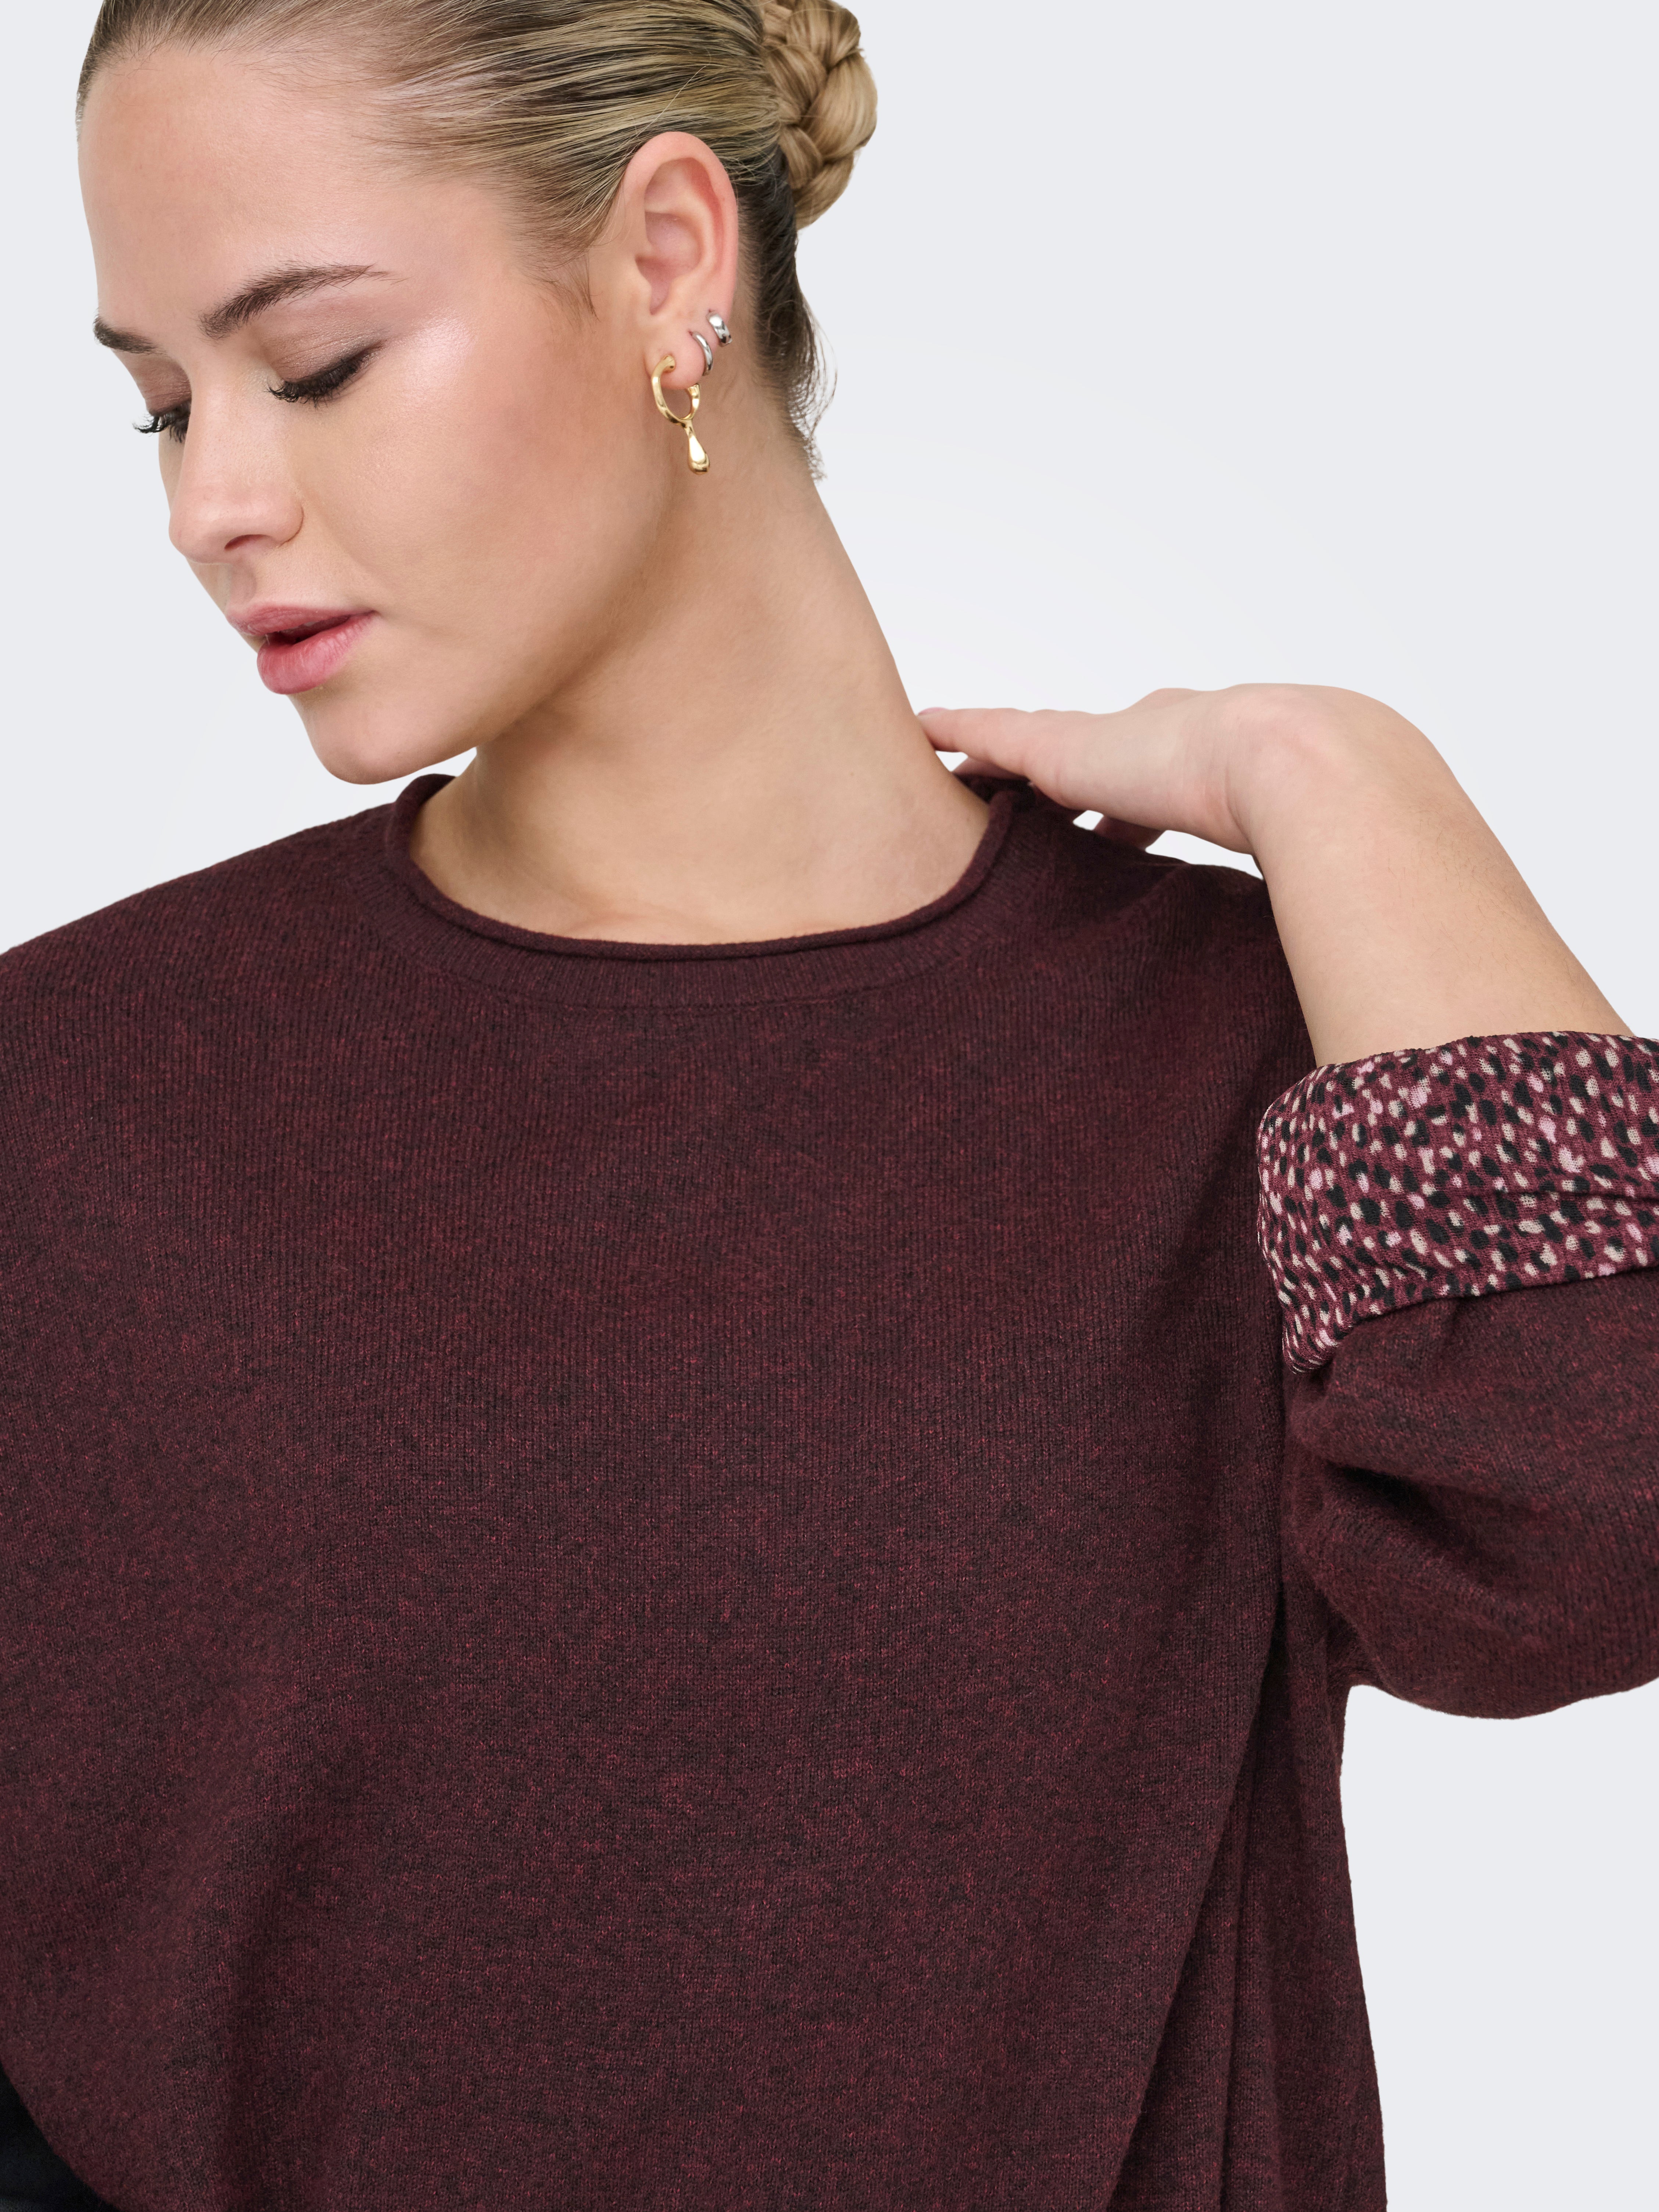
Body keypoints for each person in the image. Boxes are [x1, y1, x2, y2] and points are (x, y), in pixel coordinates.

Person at [2, 1, 1655, 2206]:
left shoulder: (1263, 1061)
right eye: (159, 404)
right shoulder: (72, 1093)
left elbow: (1589, 1547)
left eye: (314, 364)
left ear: (670, 258)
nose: (214, 502)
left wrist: (1336, 773)